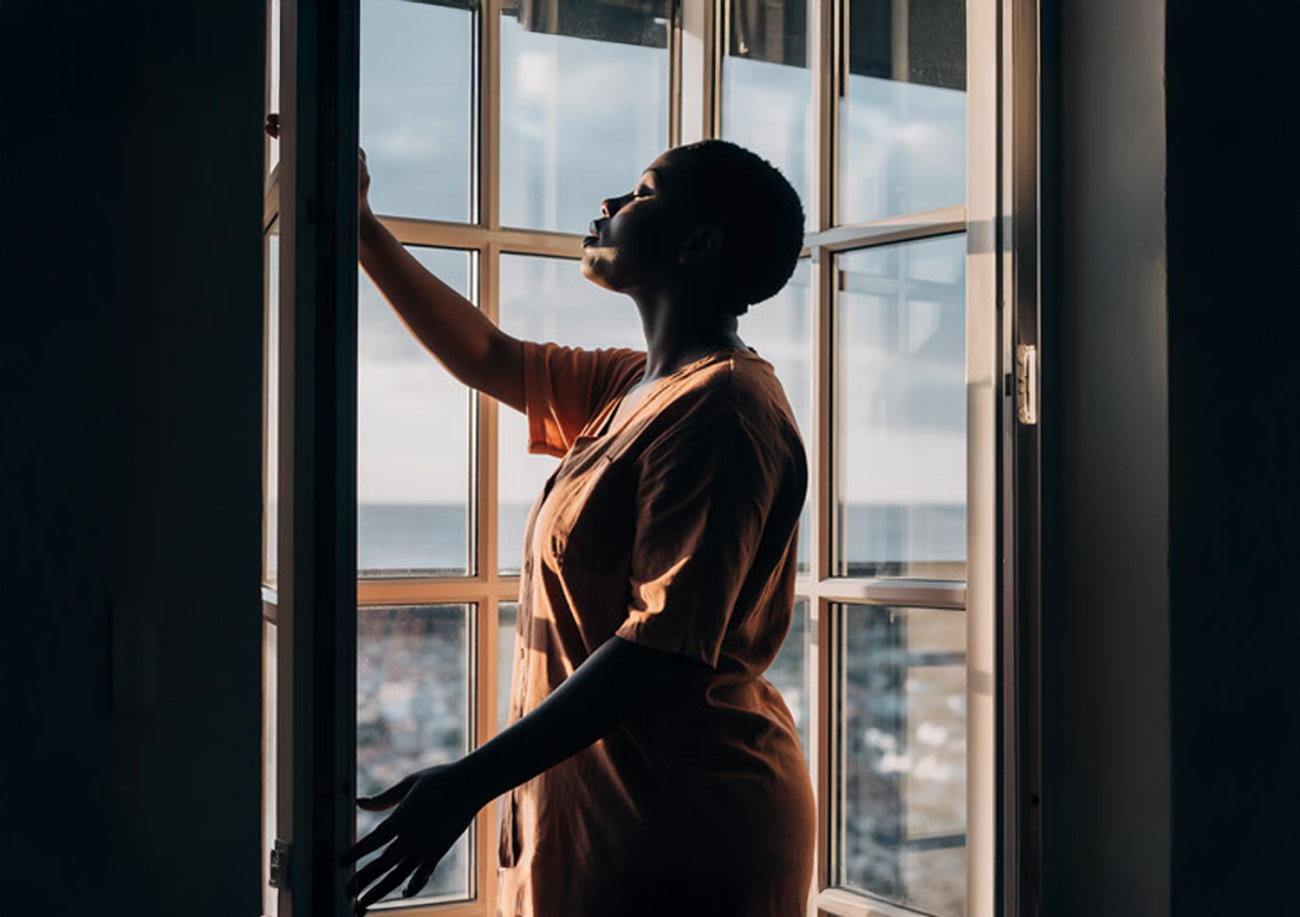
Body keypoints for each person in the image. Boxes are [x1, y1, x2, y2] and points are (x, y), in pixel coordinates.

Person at [267, 115, 813, 917]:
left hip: (682, 822)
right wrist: (360, 226)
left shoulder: (724, 410)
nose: (611, 203)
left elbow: (661, 649)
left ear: (697, 245)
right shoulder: (632, 384)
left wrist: (469, 781)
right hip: (601, 809)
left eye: (643, 193)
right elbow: (486, 355)